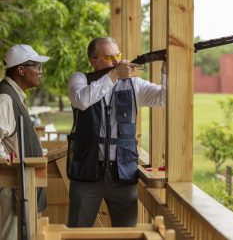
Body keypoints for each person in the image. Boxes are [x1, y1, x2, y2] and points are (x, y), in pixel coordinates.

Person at [67, 37, 166, 228]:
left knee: (127, 233)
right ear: (93, 60)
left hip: (123, 172)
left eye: (118, 56)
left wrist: (166, 71)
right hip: (86, 171)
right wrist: (114, 75)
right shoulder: (79, 79)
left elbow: (164, 98)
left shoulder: (134, 84)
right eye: (109, 57)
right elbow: (82, 100)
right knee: (77, 232)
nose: (116, 61)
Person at [0, 44, 50, 240]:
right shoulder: (5, 97)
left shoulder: (13, 95)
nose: (40, 71)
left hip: (21, 183)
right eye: (36, 66)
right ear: (21, 70)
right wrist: (8, 164)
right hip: (12, 184)